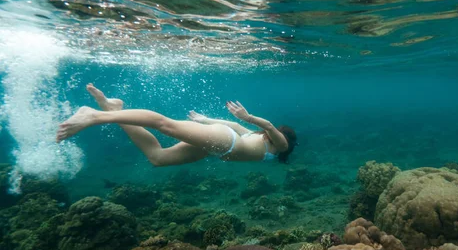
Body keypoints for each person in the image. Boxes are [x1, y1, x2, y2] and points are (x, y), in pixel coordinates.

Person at [55, 84, 297, 166]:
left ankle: (113, 108)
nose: (272, 134)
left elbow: (233, 126)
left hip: (218, 145)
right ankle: (93, 116)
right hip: (224, 142)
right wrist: (248, 117)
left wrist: (207, 120)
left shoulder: (261, 141)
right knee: (165, 124)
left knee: (157, 158)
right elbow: (268, 125)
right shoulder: (281, 145)